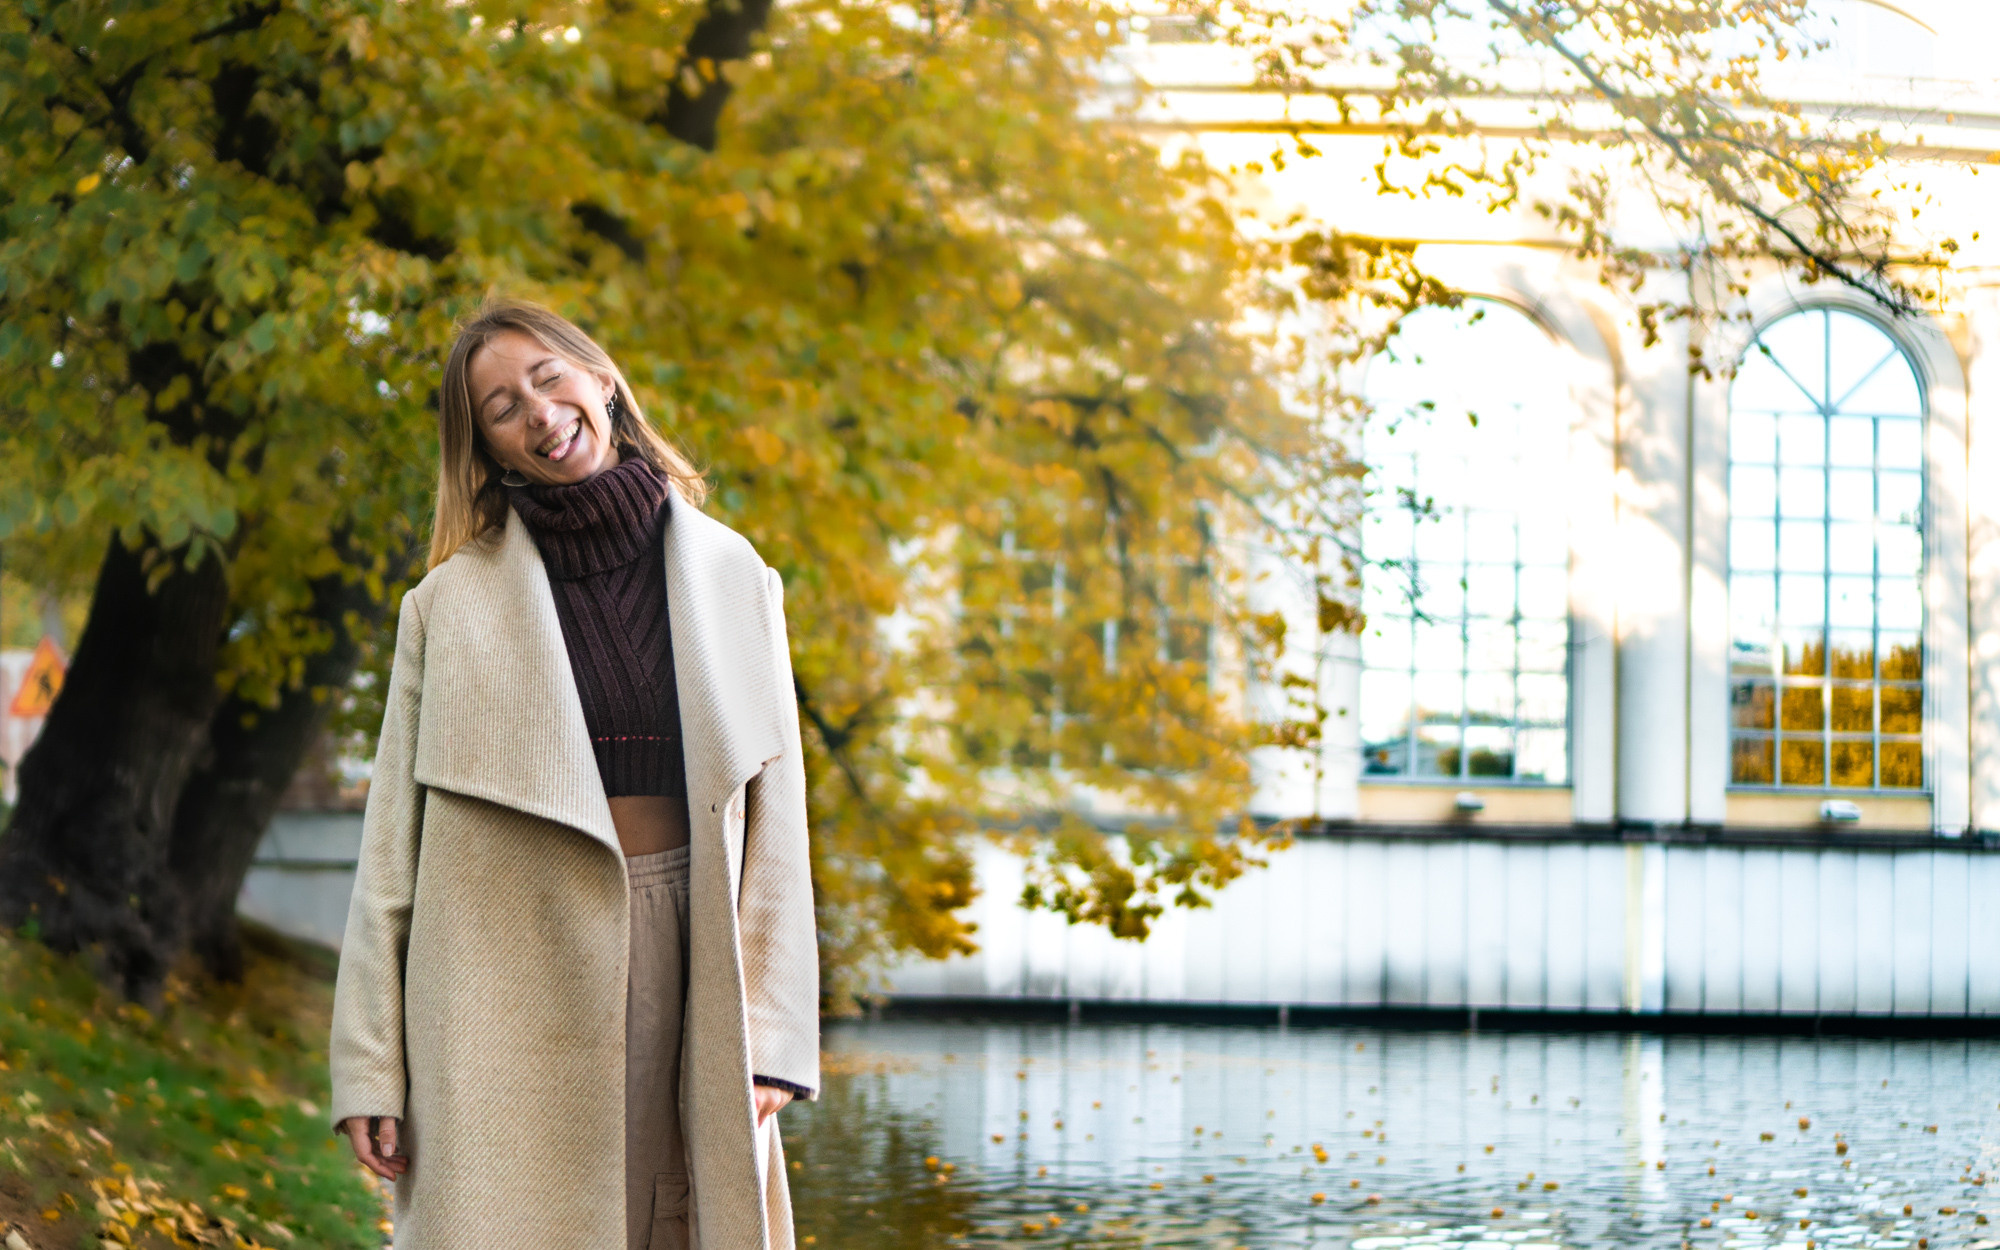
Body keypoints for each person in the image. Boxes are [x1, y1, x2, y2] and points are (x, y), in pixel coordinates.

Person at [328, 300, 819, 1250]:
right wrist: (369, 1067)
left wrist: (776, 1034)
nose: (540, 413)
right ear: (492, 451)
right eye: (503, 407)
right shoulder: (445, 606)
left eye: (549, 377)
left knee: (681, 1216)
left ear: (602, 379)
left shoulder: (736, 576)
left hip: (697, 946)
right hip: (491, 974)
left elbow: (776, 820)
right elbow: (391, 848)